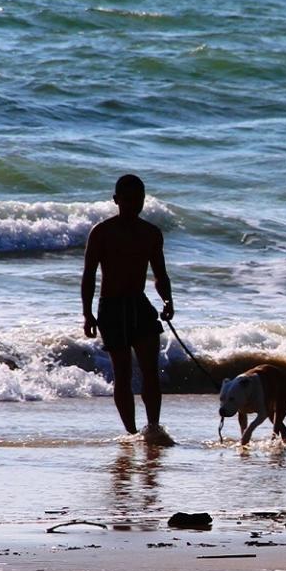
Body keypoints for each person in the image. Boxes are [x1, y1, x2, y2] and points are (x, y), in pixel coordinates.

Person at [82, 174, 177, 446]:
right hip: (111, 307)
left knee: (150, 371)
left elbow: (160, 274)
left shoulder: (150, 233)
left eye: (139, 199)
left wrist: (168, 301)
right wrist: (87, 313)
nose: (134, 204)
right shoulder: (101, 232)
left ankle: (153, 428)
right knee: (122, 373)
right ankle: (132, 433)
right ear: (116, 200)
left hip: (139, 304)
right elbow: (89, 275)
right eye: (127, 199)